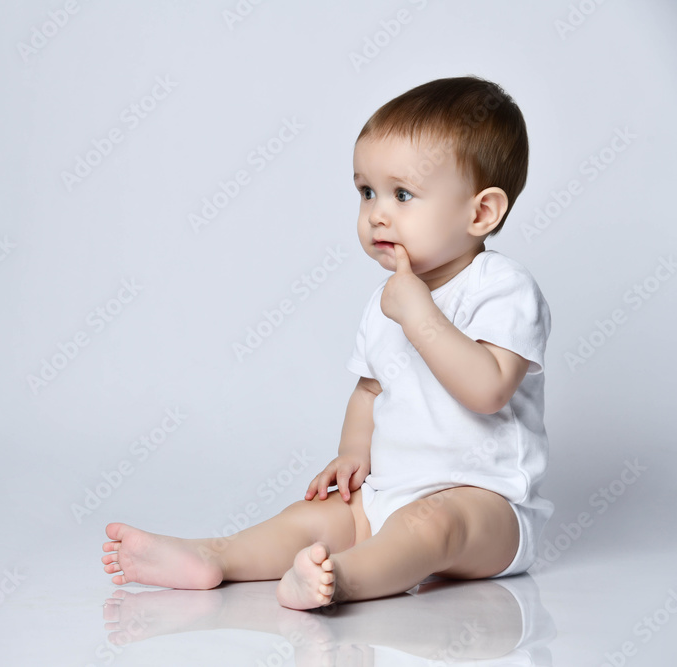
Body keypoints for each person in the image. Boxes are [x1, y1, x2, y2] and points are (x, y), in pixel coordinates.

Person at [101, 76, 554, 610]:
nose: (377, 213)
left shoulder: (501, 287)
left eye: (402, 194)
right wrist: (352, 453)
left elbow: (488, 390)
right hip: (388, 496)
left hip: (488, 509)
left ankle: (342, 578)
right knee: (313, 518)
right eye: (366, 192)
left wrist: (420, 315)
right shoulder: (386, 301)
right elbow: (369, 390)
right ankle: (214, 557)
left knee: (434, 525)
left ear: (480, 213)